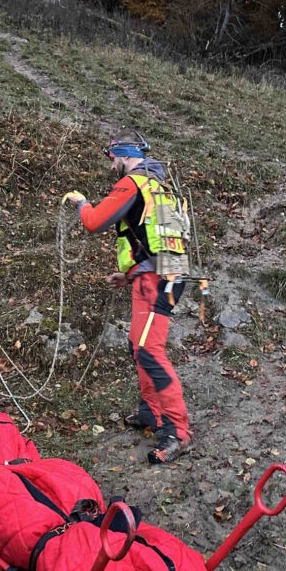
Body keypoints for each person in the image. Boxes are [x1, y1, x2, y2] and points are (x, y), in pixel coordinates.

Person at [63, 129, 191, 464]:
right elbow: (157, 239)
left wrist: (81, 204)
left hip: (160, 281)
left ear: (122, 154)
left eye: (111, 159)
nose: (111, 167)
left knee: (150, 350)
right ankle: (152, 413)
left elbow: (93, 222)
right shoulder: (158, 183)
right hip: (158, 276)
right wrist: (131, 273)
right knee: (139, 345)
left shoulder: (133, 182)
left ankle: (177, 430)